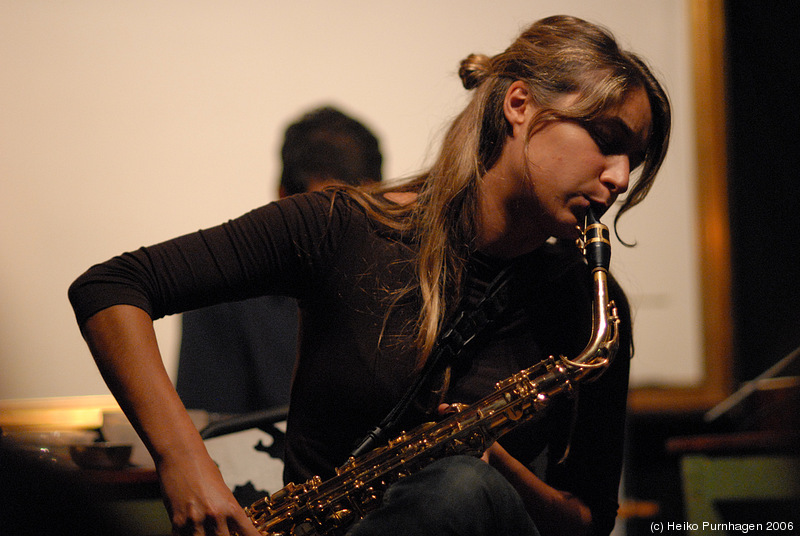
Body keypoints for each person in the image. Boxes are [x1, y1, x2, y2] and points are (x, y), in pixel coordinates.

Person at [68, 15, 670, 536]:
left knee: (461, 487)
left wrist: (493, 463)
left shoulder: (593, 308)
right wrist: (184, 463)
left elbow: (587, 520)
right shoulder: (342, 228)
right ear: (520, 106)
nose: (619, 178)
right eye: (606, 139)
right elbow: (111, 287)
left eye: (633, 160)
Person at [176, 106, 383, 415]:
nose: (350, 234)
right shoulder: (220, 296)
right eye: (329, 217)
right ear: (284, 202)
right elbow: (213, 438)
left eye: (364, 211)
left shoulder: (409, 283)